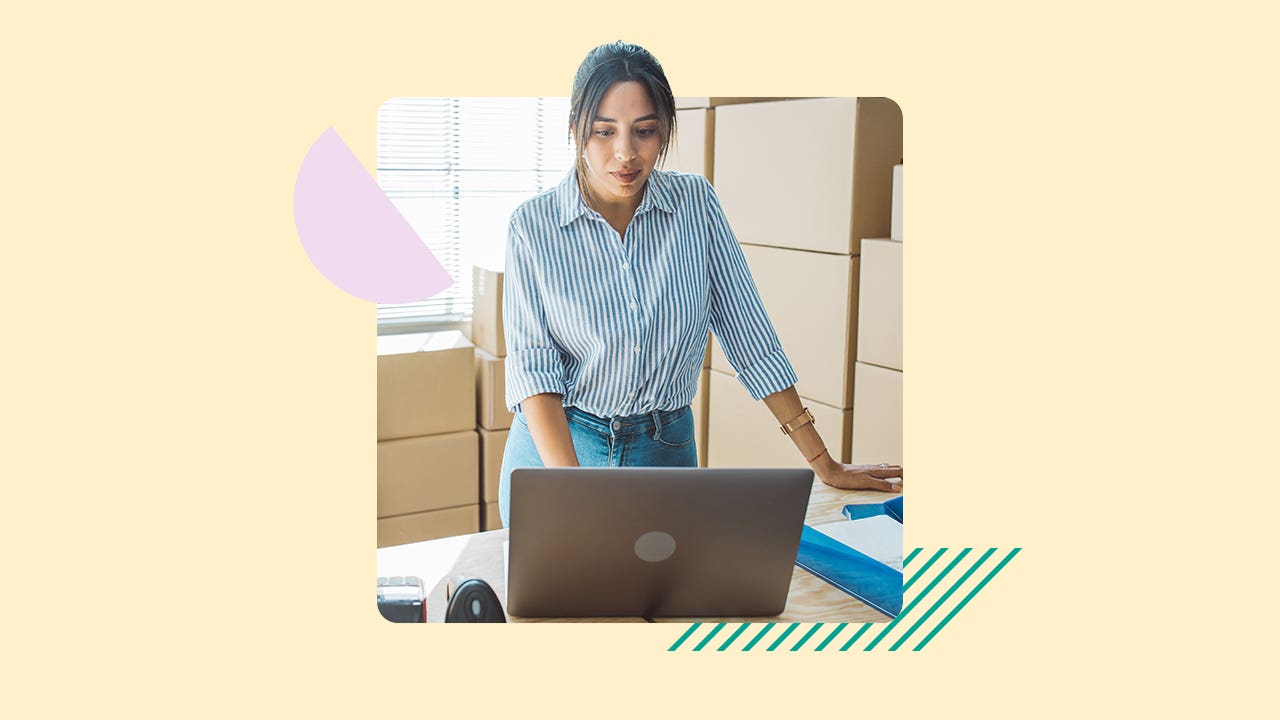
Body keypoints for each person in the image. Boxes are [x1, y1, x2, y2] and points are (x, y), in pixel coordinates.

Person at [498, 41, 902, 527]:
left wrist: (824, 463)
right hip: (558, 456)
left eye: (644, 132)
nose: (625, 153)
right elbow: (535, 375)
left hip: (663, 452)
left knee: (669, 601)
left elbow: (749, 336)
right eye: (604, 132)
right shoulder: (532, 226)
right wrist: (576, 493)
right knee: (560, 602)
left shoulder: (695, 206)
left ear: (665, 130)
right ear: (575, 130)